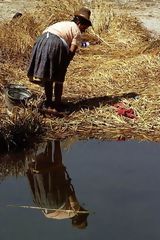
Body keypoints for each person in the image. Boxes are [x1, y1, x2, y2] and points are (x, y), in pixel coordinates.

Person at [27, 7, 92, 112]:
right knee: (58, 78)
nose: (85, 29)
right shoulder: (77, 31)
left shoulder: (63, 23)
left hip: (41, 41)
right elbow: (72, 51)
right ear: (79, 23)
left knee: (48, 75)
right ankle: (57, 105)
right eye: (85, 26)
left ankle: (48, 102)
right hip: (55, 43)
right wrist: (64, 65)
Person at [25, 140, 89, 229]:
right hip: (43, 205)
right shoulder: (62, 216)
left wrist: (65, 181)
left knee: (58, 167)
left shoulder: (75, 210)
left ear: (81, 215)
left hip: (57, 203)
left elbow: (70, 194)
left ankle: (57, 141)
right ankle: (36, 156)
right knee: (47, 179)